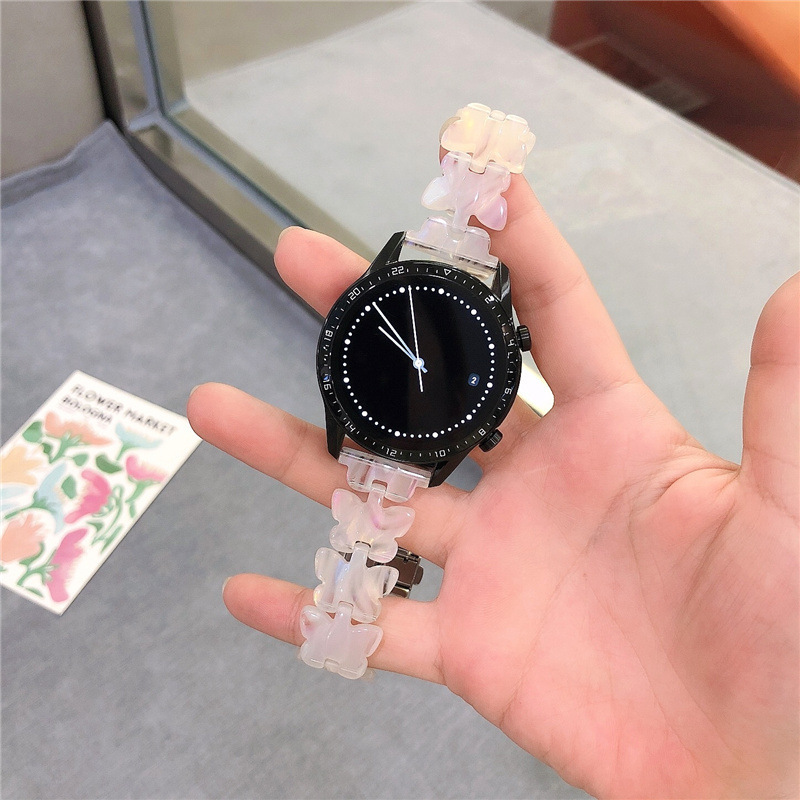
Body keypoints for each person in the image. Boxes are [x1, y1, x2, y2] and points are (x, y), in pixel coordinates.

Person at [187, 173, 798, 799]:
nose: (421, 364)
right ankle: (352, 597)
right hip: (373, 423)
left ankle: (354, 596)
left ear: (510, 365)